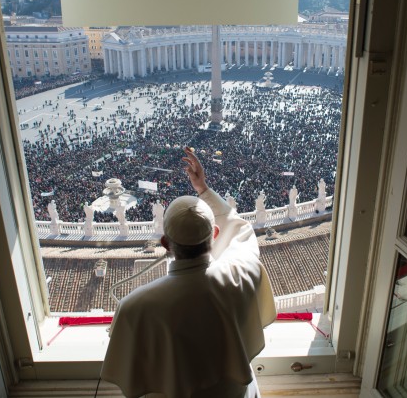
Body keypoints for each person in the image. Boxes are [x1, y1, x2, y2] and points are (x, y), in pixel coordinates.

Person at [101, 147, 276, 398]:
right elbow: (241, 229)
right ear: (214, 235)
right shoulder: (243, 271)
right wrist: (203, 189)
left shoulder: (133, 307)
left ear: (166, 244)